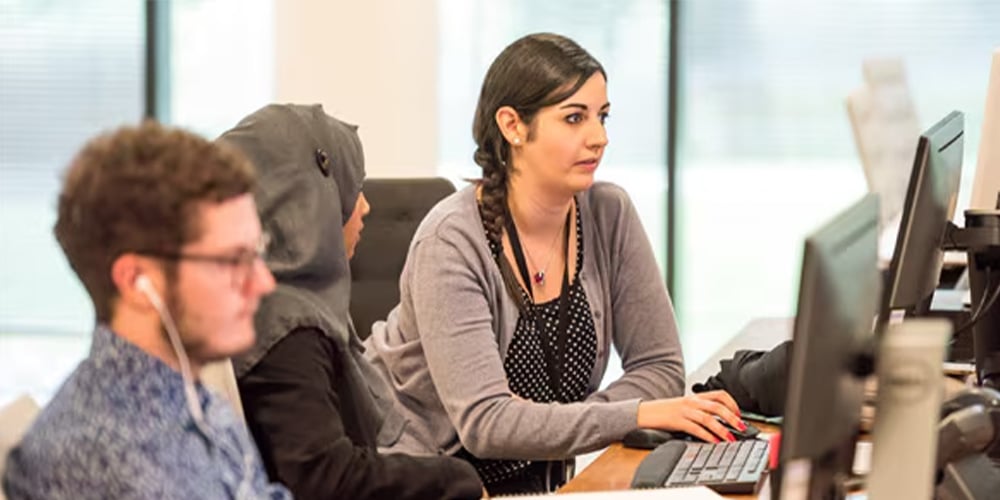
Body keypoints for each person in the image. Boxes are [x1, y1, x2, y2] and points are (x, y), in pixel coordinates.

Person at [363, 32, 745, 494]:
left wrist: (573, 422)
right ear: (513, 126)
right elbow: (486, 423)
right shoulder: (451, 241)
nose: (599, 138)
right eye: (574, 118)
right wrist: (634, 414)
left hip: (544, 484)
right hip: (435, 482)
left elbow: (661, 367)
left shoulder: (608, 213)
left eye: (602, 117)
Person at [2, 122, 291, 499]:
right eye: (233, 260)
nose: (263, 282)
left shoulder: (193, 399)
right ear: (137, 281)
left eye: (257, 252)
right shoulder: (97, 463)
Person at [218, 104, 485, 500]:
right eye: (352, 188)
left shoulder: (283, 308)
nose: (365, 206)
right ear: (312, 198)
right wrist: (455, 479)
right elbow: (324, 478)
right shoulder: (287, 329)